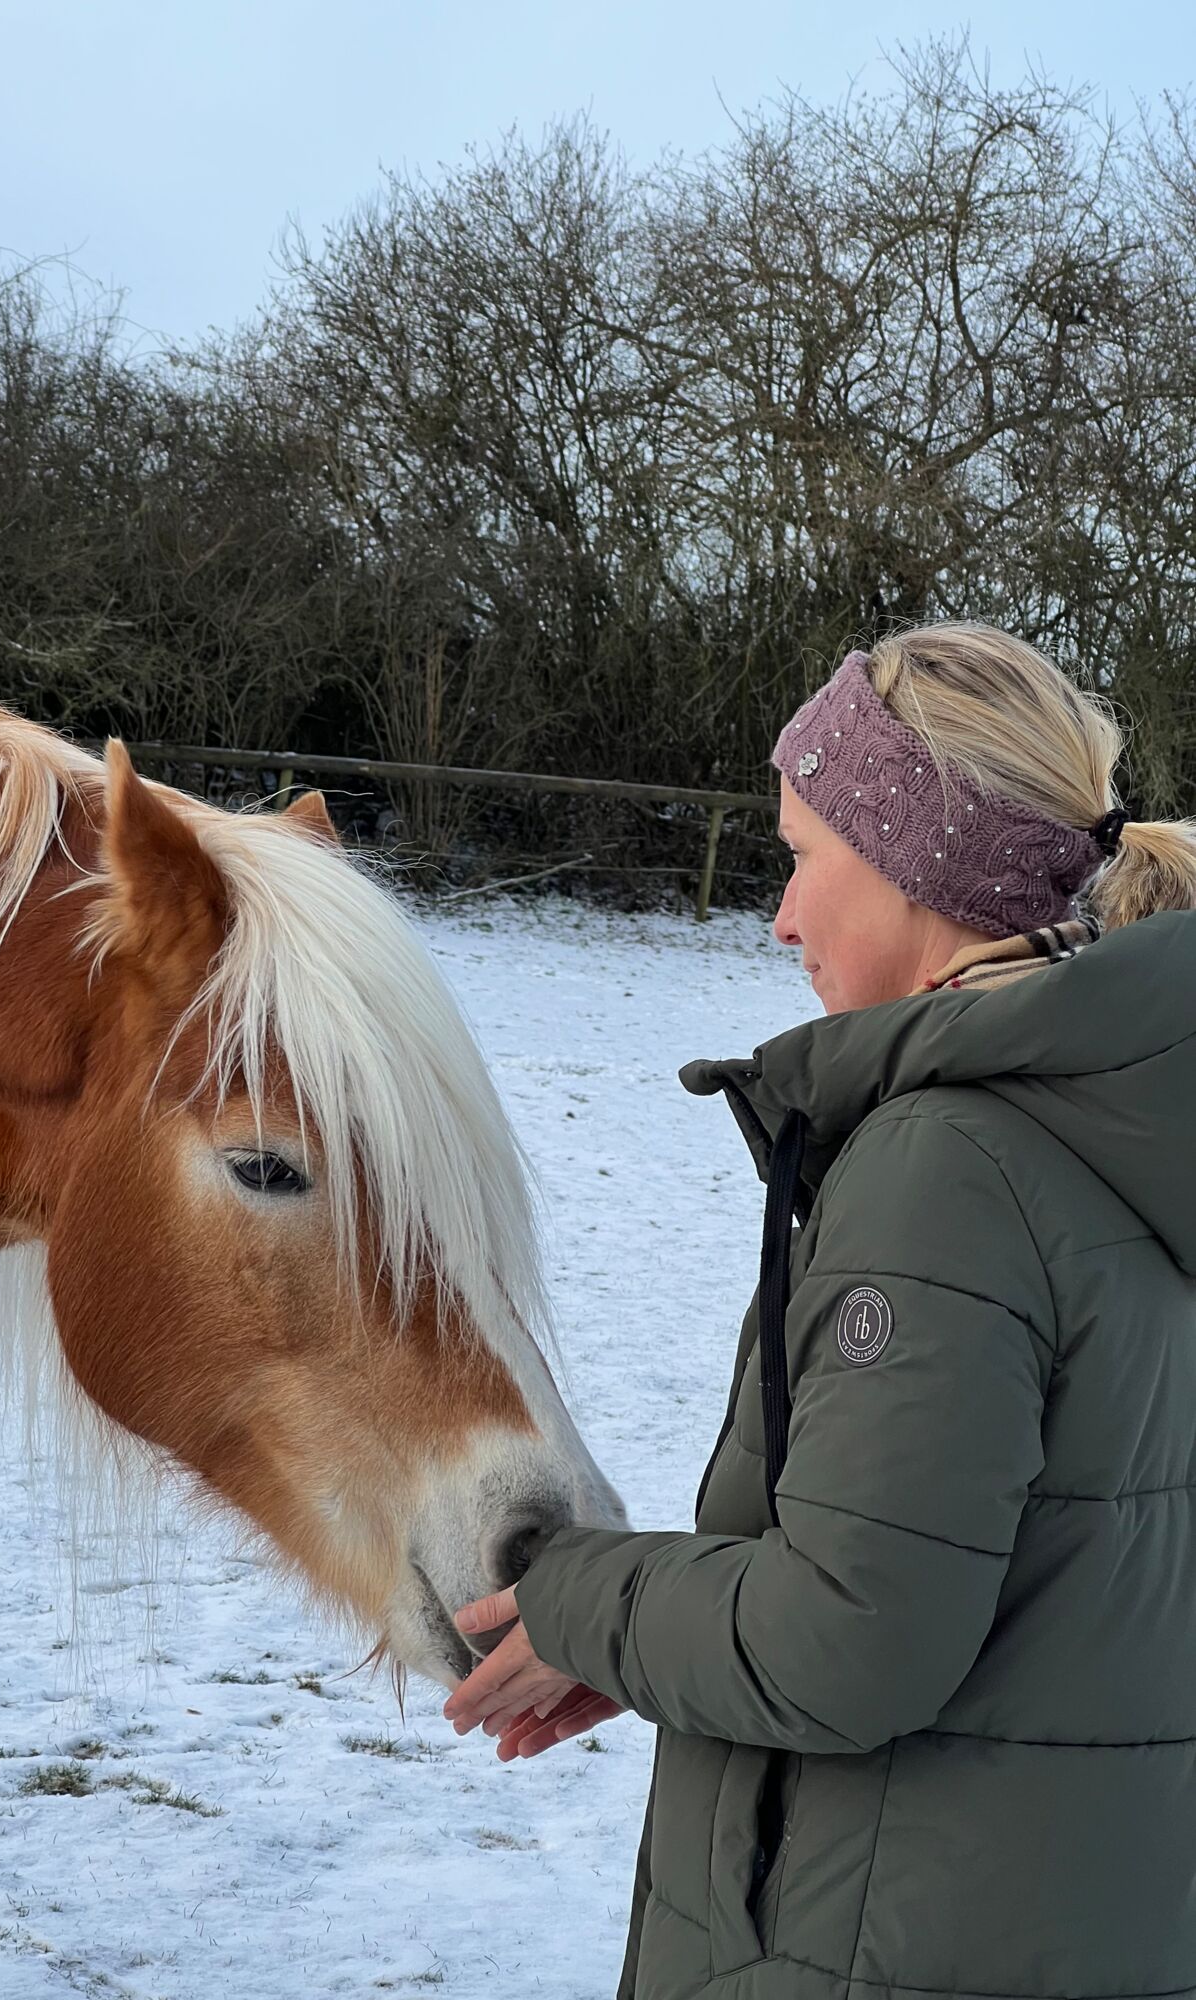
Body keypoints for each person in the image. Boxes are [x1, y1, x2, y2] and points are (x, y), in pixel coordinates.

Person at [443, 623, 1196, 2000]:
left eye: (803, 857)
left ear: (922, 861)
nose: (780, 916)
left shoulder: (951, 1167)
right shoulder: (1121, 1127)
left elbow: (854, 1636)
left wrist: (579, 1604)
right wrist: (671, 1653)